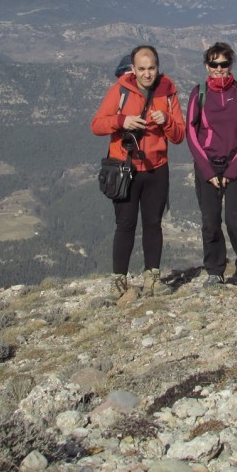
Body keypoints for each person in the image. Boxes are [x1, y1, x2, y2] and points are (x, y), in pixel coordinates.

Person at [91, 45, 185, 300]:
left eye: (151, 68)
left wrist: (165, 120)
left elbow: (179, 135)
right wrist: (123, 121)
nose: (146, 73)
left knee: (153, 224)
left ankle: (152, 278)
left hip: (157, 168)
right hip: (126, 168)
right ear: (133, 69)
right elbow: (97, 125)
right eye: (141, 69)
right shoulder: (120, 90)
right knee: (126, 225)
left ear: (157, 66)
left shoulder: (168, 91)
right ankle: (119, 282)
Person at [186, 42, 237, 290]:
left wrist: (231, 170)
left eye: (224, 64)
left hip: (236, 166)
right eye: (214, 64)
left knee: (235, 219)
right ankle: (215, 271)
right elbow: (191, 134)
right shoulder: (199, 93)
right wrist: (207, 171)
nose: (219, 69)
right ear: (207, 66)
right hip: (208, 165)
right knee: (210, 220)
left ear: (231, 65)